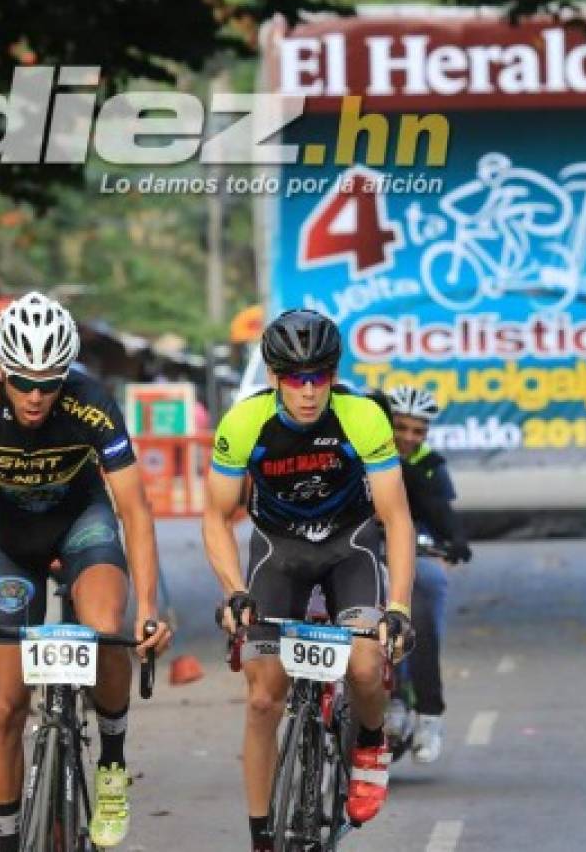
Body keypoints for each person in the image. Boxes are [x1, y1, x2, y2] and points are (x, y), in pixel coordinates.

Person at [0, 291, 172, 851]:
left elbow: (135, 510)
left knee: (105, 628)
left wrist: (147, 611)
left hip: (81, 524)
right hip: (9, 542)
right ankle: (9, 841)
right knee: (2, 705)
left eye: (49, 382)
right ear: (0, 368)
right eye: (22, 381)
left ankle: (111, 764)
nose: (37, 396)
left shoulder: (91, 401)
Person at [202, 308, 415, 852]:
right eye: (296, 378)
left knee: (366, 666)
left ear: (334, 372)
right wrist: (233, 590)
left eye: (319, 375)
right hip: (279, 550)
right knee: (262, 698)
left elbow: (395, 517)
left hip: (350, 546)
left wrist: (399, 607)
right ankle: (261, 837)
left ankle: (369, 741)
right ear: (274, 377)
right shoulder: (244, 423)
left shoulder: (362, 417)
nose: (308, 390)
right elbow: (216, 516)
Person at [379, 386, 472, 765]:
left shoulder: (431, 466)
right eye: (400, 427)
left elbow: (446, 520)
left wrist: (454, 544)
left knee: (425, 601)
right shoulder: (369, 457)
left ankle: (427, 713)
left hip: (417, 551)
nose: (408, 438)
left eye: (418, 431)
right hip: (370, 548)